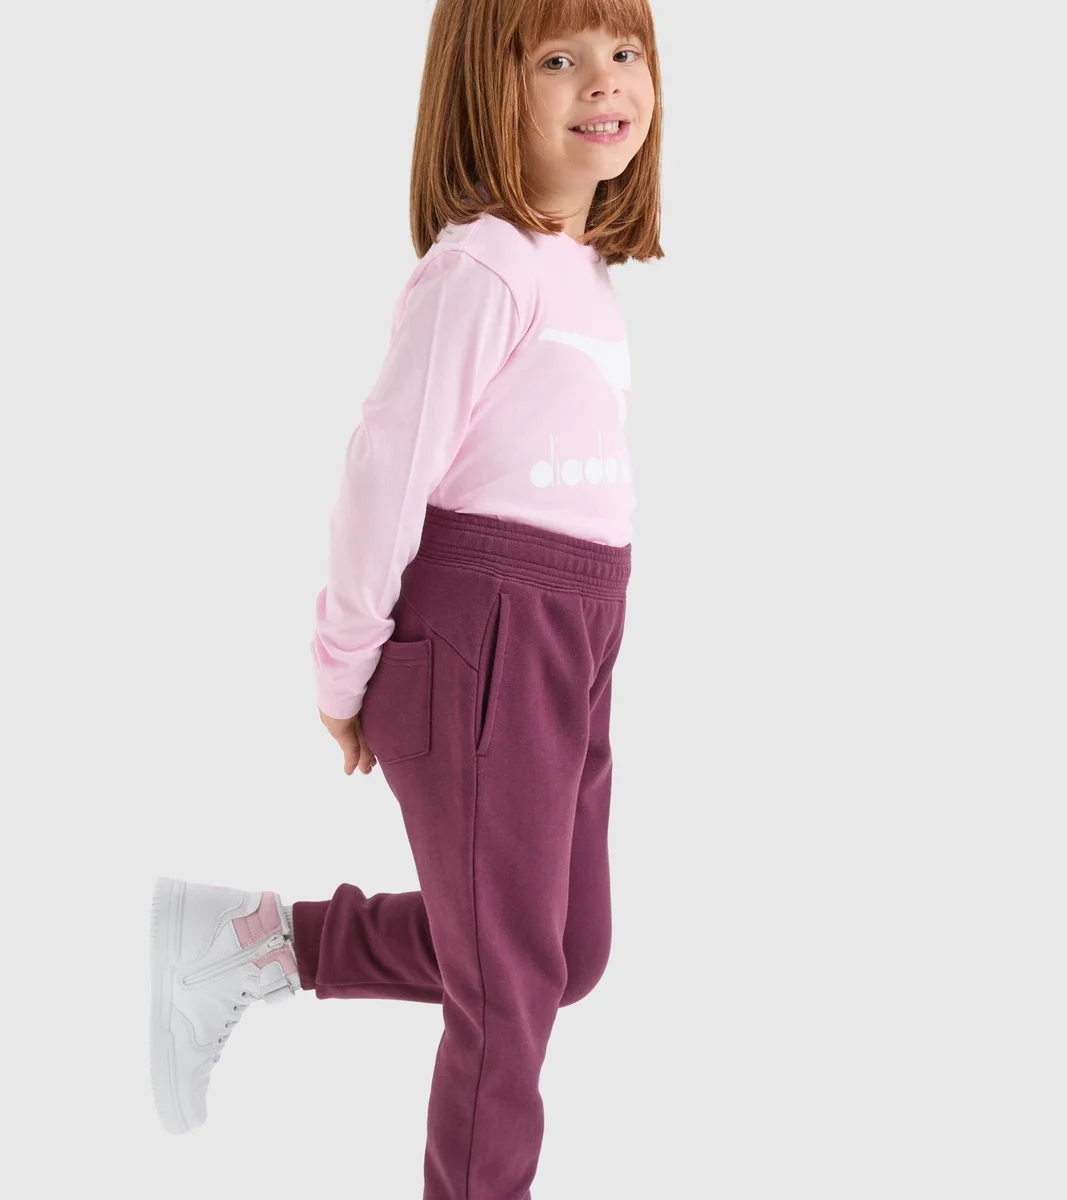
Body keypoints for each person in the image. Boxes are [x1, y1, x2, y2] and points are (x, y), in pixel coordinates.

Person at [149, 1, 664, 1194]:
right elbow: (384, 469)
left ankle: (253, 944)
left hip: (574, 630)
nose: (604, 79)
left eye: (624, 50)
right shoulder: (482, 265)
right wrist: (344, 668)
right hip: (484, 633)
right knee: (507, 991)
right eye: (558, 57)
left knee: (563, 949)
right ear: (487, 88)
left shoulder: (579, 270)